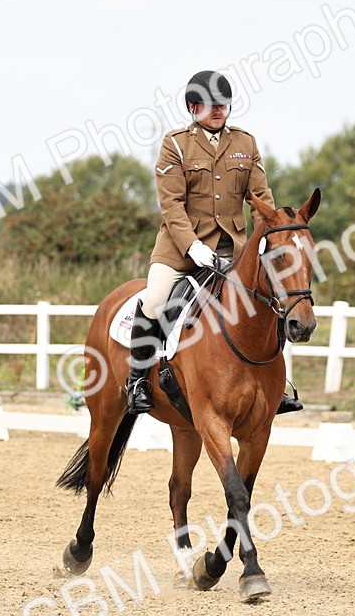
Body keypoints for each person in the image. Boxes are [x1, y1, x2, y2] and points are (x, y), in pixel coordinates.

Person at [125, 69, 303, 416]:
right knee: (156, 300)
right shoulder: (175, 144)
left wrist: (270, 234)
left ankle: (276, 387)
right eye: (210, 105)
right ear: (193, 107)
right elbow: (172, 205)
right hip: (180, 250)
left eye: (223, 104)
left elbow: (260, 198)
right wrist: (193, 247)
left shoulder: (245, 143)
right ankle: (137, 382)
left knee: (271, 301)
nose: (219, 110)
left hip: (233, 249)